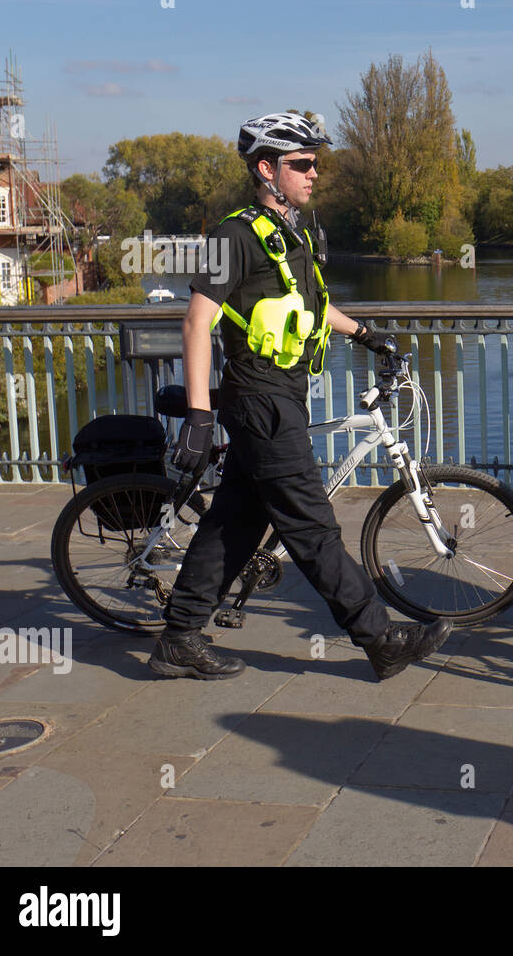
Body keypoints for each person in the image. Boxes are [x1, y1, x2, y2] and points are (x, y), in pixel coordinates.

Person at [149, 112, 451, 681]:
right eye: (302, 164)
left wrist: (367, 335)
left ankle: (180, 637)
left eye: (316, 163)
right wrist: (197, 414)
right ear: (266, 169)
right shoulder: (230, 236)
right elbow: (196, 324)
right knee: (312, 526)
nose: (314, 174)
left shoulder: (293, 232)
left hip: (286, 392)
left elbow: (308, 309)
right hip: (259, 400)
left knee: (233, 521)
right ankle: (379, 637)